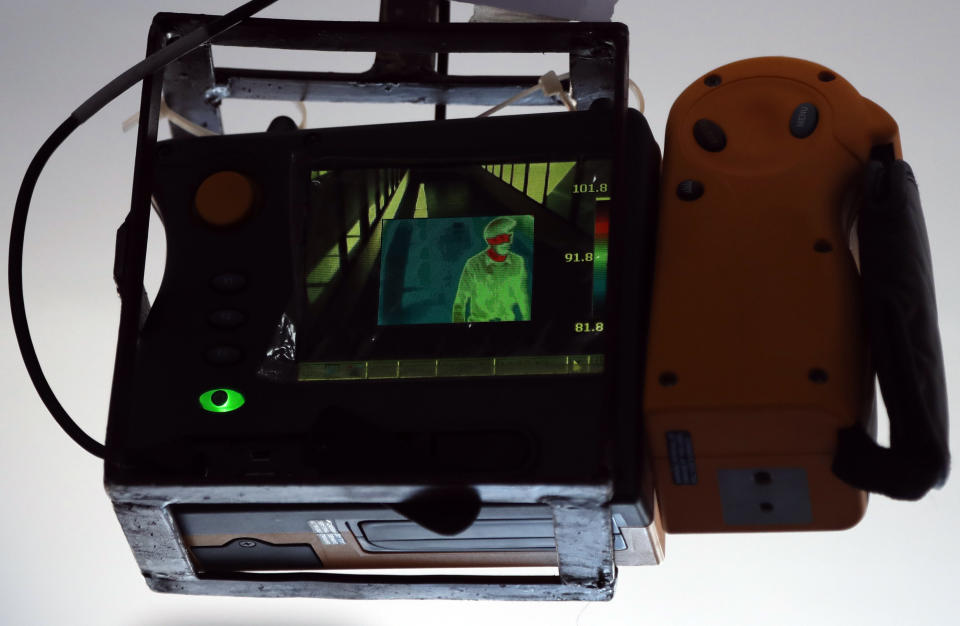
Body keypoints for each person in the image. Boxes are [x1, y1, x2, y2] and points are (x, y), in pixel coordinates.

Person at [452, 216, 531, 322]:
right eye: (501, 238)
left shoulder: (518, 262)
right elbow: (460, 299)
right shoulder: (474, 265)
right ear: (491, 241)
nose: (507, 243)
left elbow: (522, 295)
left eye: (509, 237)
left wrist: (528, 320)